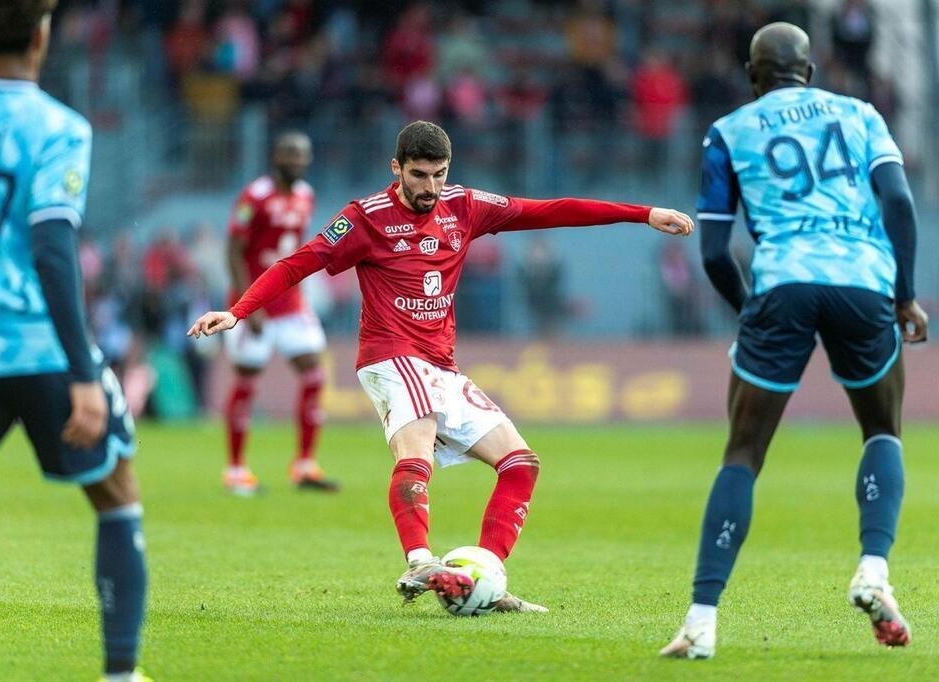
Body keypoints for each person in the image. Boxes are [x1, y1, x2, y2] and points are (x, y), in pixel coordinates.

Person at [189, 120, 694, 611]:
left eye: (439, 174)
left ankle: (485, 579)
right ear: (397, 168)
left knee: (521, 464)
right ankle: (419, 561)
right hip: (390, 354)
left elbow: (550, 210)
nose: (430, 186)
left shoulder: (466, 206)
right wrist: (236, 311)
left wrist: (643, 213)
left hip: (442, 365)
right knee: (416, 459)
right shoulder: (364, 218)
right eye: (419, 175)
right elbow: (299, 262)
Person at [660, 23, 927, 659]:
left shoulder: (729, 130)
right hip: (862, 280)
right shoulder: (861, 114)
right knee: (882, 430)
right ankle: (873, 568)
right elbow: (899, 200)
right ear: (809, 69)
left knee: (743, 453)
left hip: (782, 283)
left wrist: (749, 310)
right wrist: (904, 293)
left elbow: (715, 250)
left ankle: (701, 621)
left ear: (753, 74)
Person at [0, 2, 148, 680]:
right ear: (43, 37)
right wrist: (84, 371)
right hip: (43, 349)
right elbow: (52, 247)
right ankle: (120, 673)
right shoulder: (59, 128)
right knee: (117, 490)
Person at [223, 131, 338, 495]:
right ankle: (237, 470)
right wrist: (247, 302)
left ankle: (304, 465)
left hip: (290, 303)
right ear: (275, 156)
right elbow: (234, 250)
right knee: (248, 379)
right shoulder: (254, 196)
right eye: (289, 153)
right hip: (253, 304)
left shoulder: (305, 195)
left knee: (314, 374)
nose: (295, 160)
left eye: (301, 155)